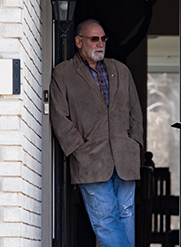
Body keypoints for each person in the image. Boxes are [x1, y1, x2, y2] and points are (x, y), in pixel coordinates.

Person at [49, 19, 143, 247]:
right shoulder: (63, 74)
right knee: (106, 222)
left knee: (126, 218)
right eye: (94, 39)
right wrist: (80, 150)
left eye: (103, 39)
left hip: (125, 159)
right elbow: (59, 118)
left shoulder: (121, 70)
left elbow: (135, 112)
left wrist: (134, 144)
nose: (100, 43)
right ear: (79, 42)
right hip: (90, 162)